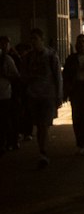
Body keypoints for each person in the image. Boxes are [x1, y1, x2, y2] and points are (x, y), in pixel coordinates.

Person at [22, 27, 62, 167]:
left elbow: (58, 76)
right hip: (33, 95)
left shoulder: (51, 56)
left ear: (41, 40)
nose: (33, 42)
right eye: (31, 39)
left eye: (35, 39)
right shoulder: (27, 58)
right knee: (39, 125)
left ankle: (43, 152)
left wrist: (59, 95)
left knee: (43, 125)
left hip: (47, 95)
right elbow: (24, 76)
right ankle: (42, 150)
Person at [0, 35, 20, 153]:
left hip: (6, 94)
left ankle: (9, 141)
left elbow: (16, 75)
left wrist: (6, 75)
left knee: (6, 119)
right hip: (5, 93)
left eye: (5, 44)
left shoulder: (9, 59)